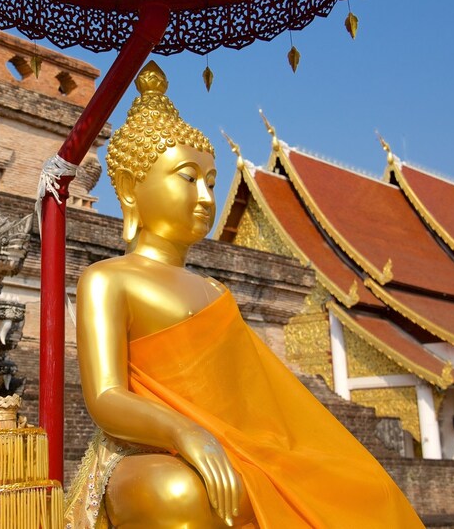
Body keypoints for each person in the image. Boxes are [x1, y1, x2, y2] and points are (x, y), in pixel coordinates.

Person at [64, 61, 424, 528]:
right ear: (132, 190)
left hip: (235, 445)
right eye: (187, 177)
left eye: (211, 182)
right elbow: (107, 396)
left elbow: (258, 402)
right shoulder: (108, 279)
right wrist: (183, 429)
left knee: (364, 487)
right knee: (182, 493)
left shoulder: (214, 290)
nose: (205, 196)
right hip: (146, 451)